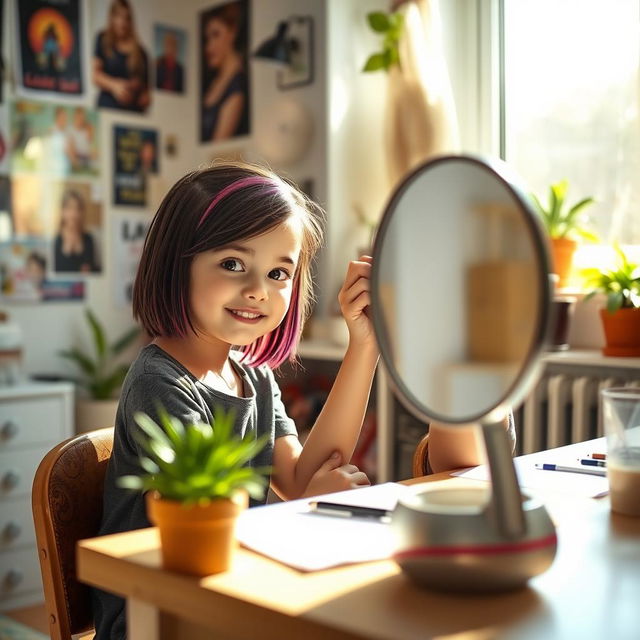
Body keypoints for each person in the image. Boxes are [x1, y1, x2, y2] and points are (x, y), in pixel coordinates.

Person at [91, 161, 514, 639]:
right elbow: (191, 534)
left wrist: (365, 345)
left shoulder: (251, 375)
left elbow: (301, 477)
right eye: (233, 264)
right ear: (176, 263)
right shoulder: (160, 382)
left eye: (278, 273)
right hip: (159, 611)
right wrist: (308, 506)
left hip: (230, 588)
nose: (257, 290)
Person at [200, 2, 249, 142]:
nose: (209, 47)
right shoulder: (213, 80)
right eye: (207, 39)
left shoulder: (237, 87)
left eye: (216, 35)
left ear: (232, 32)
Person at [92, 0, 150, 113]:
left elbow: (146, 93)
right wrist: (114, 86)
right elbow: (95, 76)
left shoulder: (141, 52)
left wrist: (136, 91)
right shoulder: (102, 39)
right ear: (112, 17)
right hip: (108, 108)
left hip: (133, 112)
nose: (122, 22)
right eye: (118, 16)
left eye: (126, 18)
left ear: (131, 21)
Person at [53, 190, 98, 273]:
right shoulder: (55, 241)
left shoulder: (89, 239)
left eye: (78, 209)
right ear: (63, 211)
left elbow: (96, 270)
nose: (74, 214)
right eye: (69, 208)